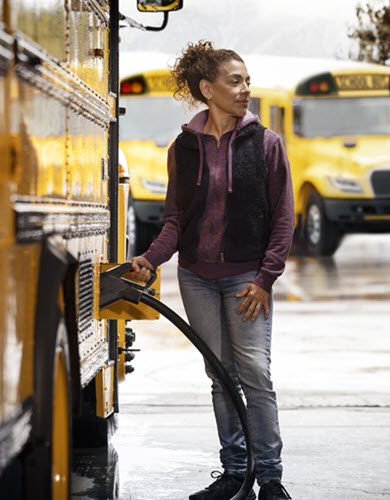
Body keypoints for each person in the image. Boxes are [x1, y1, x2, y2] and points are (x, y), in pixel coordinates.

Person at [129, 41, 294, 500]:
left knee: (255, 373)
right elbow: (175, 221)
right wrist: (150, 260)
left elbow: (283, 217)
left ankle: (271, 478)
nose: (245, 90)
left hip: (247, 279)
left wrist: (265, 279)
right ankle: (235, 472)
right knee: (220, 376)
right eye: (235, 81)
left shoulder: (265, 143)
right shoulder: (183, 147)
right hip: (197, 278)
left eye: (247, 80)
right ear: (208, 88)